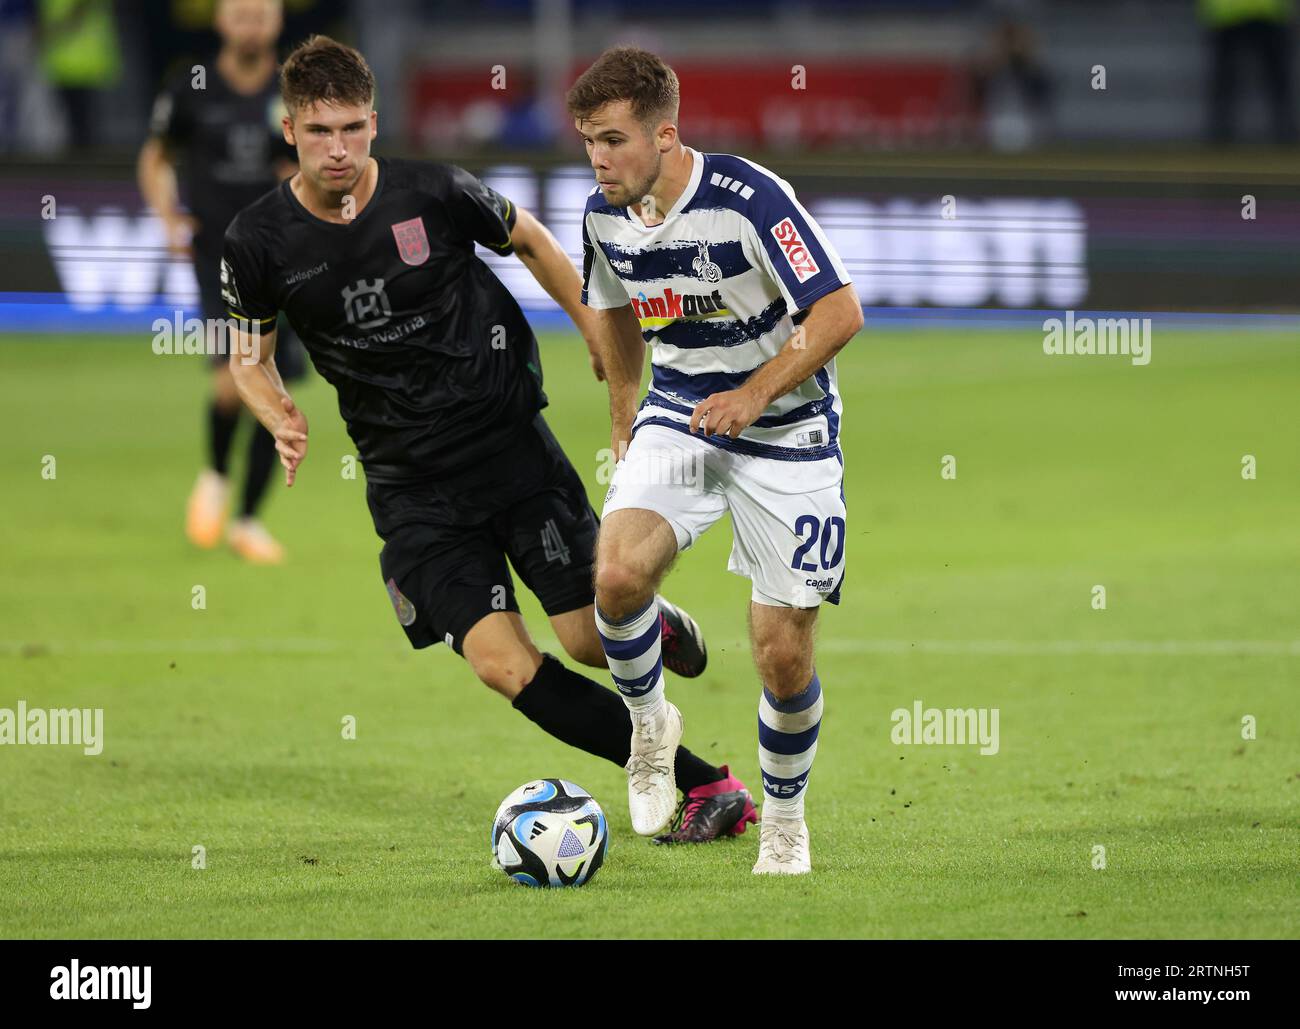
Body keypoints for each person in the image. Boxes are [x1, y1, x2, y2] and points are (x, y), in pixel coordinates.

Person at [221, 35, 757, 843]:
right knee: (503, 666)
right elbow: (249, 359)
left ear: (374, 120)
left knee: (584, 639)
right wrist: (277, 412)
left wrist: (591, 324)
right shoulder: (257, 242)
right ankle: (708, 784)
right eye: (320, 130)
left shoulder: (433, 192)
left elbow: (535, 241)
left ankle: (651, 616)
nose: (339, 148)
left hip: (509, 450)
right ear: (290, 129)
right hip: (409, 488)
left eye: (354, 128)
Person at [570, 47, 863, 873]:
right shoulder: (601, 216)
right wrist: (626, 413)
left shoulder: (750, 198)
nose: (599, 157)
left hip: (789, 432)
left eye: (615, 139)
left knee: (781, 648)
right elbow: (615, 312)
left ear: (666, 134)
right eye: (589, 138)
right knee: (617, 576)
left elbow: (839, 311)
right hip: (682, 417)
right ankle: (651, 725)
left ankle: (784, 817)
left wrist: (757, 393)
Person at [138, 0, 301, 563]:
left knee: (278, 393)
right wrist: (168, 218)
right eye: (241, 13)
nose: (251, 23)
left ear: (277, 21)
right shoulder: (192, 85)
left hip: (284, 258)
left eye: (262, 14)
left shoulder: (294, 88)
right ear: (221, 20)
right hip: (217, 258)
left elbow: (306, 163)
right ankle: (214, 473)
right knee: (232, 382)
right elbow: (156, 157)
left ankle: (249, 520)